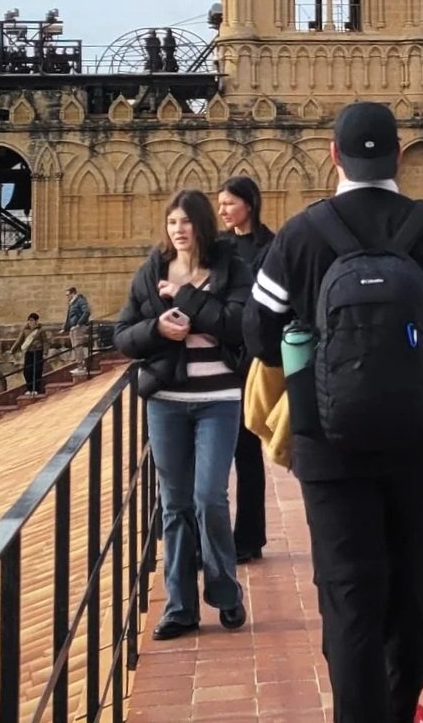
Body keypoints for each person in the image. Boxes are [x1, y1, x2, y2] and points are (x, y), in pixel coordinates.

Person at [246, 101, 423, 723]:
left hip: (329, 444)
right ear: (401, 158)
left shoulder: (302, 233)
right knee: (411, 596)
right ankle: (403, 708)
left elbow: (258, 336)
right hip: (422, 443)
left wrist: (323, 369)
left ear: (334, 156)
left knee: (349, 598)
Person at [115, 189, 250, 639]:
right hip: (167, 401)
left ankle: (225, 592)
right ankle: (179, 607)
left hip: (219, 399)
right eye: (173, 221)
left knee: (209, 497)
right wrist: (157, 328)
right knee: (174, 504)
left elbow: (237, 325)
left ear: (203, 225)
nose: (180, 229)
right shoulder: (150, 270)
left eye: (187, 221)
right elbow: (122, 335)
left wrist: (187, 298)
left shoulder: (230, 268)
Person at [217, 175, 273, 564]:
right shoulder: (218, 248)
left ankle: (249, 537)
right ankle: (217, 537)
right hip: (219, 354)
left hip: (252, 360)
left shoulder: (270, 246)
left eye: (228, 203)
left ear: (248, 205)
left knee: (248, 451)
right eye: (220, 204)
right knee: (218, 453)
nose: (221, 210)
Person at [15, 312, 49, 397]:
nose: (30, 322)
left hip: (38, 351)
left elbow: (45, 342)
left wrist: (45, 353)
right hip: (28, 352)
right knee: (27, 371)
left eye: (32, 320)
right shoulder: (25, 330)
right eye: (29, 320)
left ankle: (36, 388)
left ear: (36, 321)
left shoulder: (41, 330)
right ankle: (29, 388)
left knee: (37, 370)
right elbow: (19, 340)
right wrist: (13, 350)